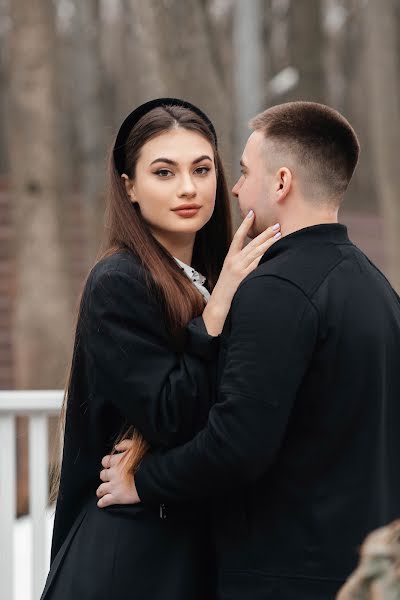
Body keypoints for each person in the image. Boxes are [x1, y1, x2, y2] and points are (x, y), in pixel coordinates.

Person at [98, 101, 400, 600]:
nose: (234, 188)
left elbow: (236, 445)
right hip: (363, 574)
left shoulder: (275, 289)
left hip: (286, 577)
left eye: (240, 172)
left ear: (280, 183)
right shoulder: (378, 289)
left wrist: (143, 481)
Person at [40, 98, 281, 600]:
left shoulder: (215, 277)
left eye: (202, 169)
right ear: (129, 187)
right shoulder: (118, 281)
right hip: (131, 553)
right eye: (164, 172)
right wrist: (213, 317)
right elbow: (171, 414)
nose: (189, 188)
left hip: (190, 543)